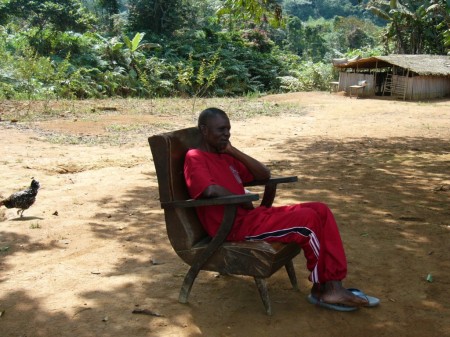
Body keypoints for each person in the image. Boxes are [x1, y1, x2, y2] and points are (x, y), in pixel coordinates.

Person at [184, 107, 378, 311]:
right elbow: (209, 190)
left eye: (228, 129)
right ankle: (327, 288)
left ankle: (332, 283)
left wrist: (233, 151)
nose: (226, 134)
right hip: (232, 227)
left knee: (320, 210)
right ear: (204, 130)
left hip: (250, 218)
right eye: (220, 129)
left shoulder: (225, 155)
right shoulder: (195, 156)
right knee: (307, 221)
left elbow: (264, 174)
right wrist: (243, 198)